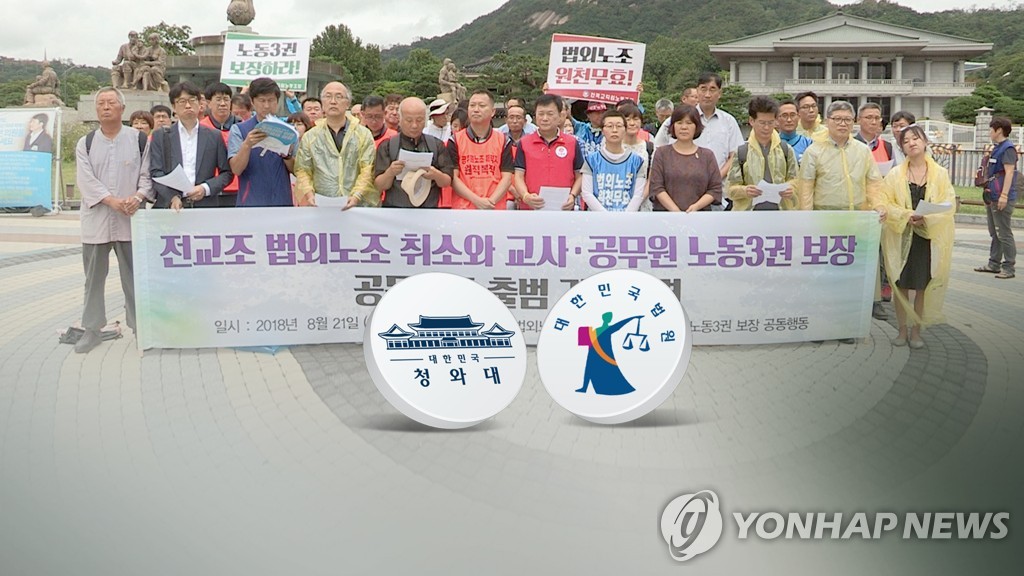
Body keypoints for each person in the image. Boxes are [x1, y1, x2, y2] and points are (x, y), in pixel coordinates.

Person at [73, 87, 152, 353]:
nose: (106, 107)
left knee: (134, 277)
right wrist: (111, 201)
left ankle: (141, 328)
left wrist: (138, 197)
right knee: (93, 277)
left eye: (111, 103)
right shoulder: (85, 143)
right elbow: (85, 180)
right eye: (101, 103)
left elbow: (147, 176)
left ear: (122, 108)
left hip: (130, 220)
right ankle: (92, 328)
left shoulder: (139, 139)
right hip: (96, 221)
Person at [799, 101, 884, 343]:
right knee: (820, 277)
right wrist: (806, 220)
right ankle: (817, 326)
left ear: (853, 122)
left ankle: (843, 327)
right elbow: (806, 189)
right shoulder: (814, 151)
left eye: (847, 119)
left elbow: (874, 183)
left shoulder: (863, 151)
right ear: (827, 121)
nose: (842, 124)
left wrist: (879, 205)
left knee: (847, 278)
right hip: (823, 220)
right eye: (837, 119)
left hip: (854, 221)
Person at [874, 124, 955, 349]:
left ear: (925, 141)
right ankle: (902, 331)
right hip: (901, 235)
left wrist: (928, 218)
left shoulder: (940, 174)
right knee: (901, 285)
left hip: (926, 239)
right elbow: (885, 201)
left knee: (921, 287)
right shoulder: (895, 175)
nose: (911, 143)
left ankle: (916, 332)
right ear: (902, 147)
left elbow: (948, 204)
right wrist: (905, 215)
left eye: (916, 138)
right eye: (906, 140)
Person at [148, 82, 233, 210]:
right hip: (171, 207)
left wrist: (205, 188)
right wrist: (172, 197)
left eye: (192, 100)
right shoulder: (161, 136)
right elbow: (155, 172)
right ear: (174, 107)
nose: (188, 106)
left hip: (204, 206)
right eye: (182, 101)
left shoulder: (214, 136)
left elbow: (226, 173)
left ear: (200, 104)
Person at [294, 82, 378, 209]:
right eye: (328, 96)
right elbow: (303, 170)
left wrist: (356, 196)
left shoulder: (363, 134)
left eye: (339, 97)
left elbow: (367, 169)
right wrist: (309, 194)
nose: (333, 101)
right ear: (322, 102)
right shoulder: (310, 136)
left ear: (348, 103)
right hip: (321, 204)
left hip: (356, 206)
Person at [374, 97, 453, 209]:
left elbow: (447, 181)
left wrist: (436, 175)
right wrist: (390, 172)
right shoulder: (387, 146)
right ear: (400, 119)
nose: (414, 125)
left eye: (419, 120)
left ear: (426, 120)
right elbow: (379, 186)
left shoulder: (436, 145)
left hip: (429, 210)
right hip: (395, 209)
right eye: (409, 120)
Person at [228, 77, 295, 207]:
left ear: (277, 101)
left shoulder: (288, 131)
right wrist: (247, 145)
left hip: (282, 202)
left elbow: (297, 171)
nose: (266, 106)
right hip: (250, 203)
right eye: (262, 100)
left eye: (271, 100)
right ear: (252, 102)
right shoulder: (239, 130)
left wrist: (287, 155)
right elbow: (236, 170)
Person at [726, 96, 798, 211]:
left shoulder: (785, 149)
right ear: (751, 121)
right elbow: (730, 189)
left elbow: (796, 180)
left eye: (770, 123)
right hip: (749, 214)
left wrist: (791, 189)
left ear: (776, 121)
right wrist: (745, 191)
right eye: (762, 123)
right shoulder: (742, 151)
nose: (766, 127)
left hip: (781, 212)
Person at [512, 93, 582, 211]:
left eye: (550, 114)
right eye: (541, 114)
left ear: (560, 116)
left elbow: (580, 176)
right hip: (531, 209)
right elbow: (518, 176)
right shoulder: (524, 143)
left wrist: (573, 195)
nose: (544, 118)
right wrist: (525, 196)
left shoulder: (572, 143)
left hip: (563, 209)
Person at [449, 89, 514, 210]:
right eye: (472, 105)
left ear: (493, 112)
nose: (476, 109)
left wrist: (491, 202)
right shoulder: (455, 140)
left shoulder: (503, 141)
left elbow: (507, 177)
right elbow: (453, 178)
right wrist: (477, 201)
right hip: (464, 209)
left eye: (482, 106)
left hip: (494, 208)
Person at [649, 105, 721, 213]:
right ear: (673, 126)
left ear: (696, 126)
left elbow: (715, 188)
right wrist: (675, 211)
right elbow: (656, 187)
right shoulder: (662, 153)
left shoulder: (707, 155)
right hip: (665, 217)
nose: (684, 127)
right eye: (679, 123)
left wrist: (696, 207)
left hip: (699, 216)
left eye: (689, 123)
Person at [974, 116, 1019, 279]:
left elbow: (1009, 173)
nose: (989, 132)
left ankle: (1009, 267)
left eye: (990, 129)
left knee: (1003, 232)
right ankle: (994, 263)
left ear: (999, 130)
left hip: (1001, 196)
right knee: (995, 231)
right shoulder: (997, 147)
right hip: (992, 194)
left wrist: (1004, 195)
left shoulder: (1008, 149)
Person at [581, 110, 647, 212]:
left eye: (619, 126)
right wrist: (606, 215)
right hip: (597, 217)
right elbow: (587, 193)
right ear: (602, 130)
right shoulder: (591, 160)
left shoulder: (637, 161)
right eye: (610, 126)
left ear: (625, 129)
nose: (614, 130)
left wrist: (625, 216)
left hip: (627, 217)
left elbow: (638, 195)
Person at [577, 312, 644, 396]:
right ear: (605, 318)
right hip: (598, 352)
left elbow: (619, 325)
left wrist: (632, 318)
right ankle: (584, 388)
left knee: (591, 369)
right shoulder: (604, 329)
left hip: (599, 352)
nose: (609, 319)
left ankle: (584, 388)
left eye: (610, 317)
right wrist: (632, 318)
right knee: (589, 369)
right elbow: (619, 325)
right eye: (609, 317)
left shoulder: (598, 329)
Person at [201, 82, 241, 206]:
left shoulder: (242, 127)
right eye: (218, 99)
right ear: (208, 103)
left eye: (226, 99)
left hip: (239, 188)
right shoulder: (201, 128)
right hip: (210, 189)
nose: (223, 104)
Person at [620, 103, 655, 211]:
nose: (632, 123)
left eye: (636, 119)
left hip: (643, 205)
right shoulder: (611, 147)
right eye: (628, 119)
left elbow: (651, 179)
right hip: (617, 202)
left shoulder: (649, 148)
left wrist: (637, 202)